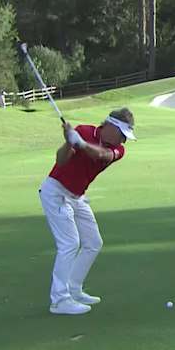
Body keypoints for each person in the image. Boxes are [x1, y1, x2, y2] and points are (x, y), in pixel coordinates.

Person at [39, 108, 136, 315]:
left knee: (93, 242)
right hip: (55, 191)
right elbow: (61, 160)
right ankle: (60, 300)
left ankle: (74, 289)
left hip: (77, 196)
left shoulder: (118, 150)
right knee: (69, 243)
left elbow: (102, 154)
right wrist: (69, 142)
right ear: (110, 126)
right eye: (122, 135)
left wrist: (80, 144)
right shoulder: (83, 131)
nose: (123, 141)